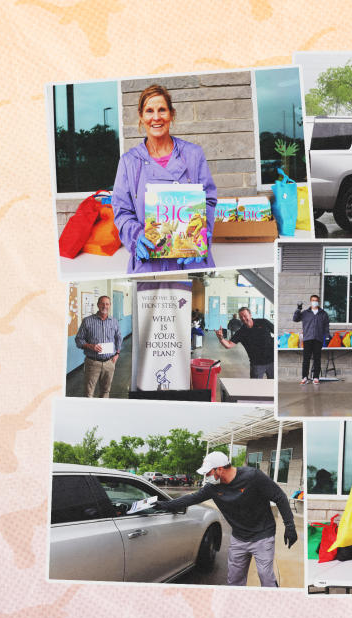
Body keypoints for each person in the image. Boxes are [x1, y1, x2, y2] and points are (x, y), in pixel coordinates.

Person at [112, 84, 217, 273]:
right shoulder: (129, 162)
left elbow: (208, 200)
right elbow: (122, 212)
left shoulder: (193, 155)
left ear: (171, 114)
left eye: (162, 110)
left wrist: (202, 235)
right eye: (149, 111)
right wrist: (136, 237)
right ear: (141, 117)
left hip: (191, 258)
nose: (156, 117)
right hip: (149, 261)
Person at [153, 451, 297, 587]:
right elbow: (191, 498)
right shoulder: (212, 487)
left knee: (265, 576)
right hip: (239, 538)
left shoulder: (253, 477)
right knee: (234, 580)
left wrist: (289, 526)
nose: (206, 476)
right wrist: (164, 505)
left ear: (220, 469)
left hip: (262, 536)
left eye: (208, 472)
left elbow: (279, 497)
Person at [74, 295, 121, 398]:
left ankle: (102, 412)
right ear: (98, 305)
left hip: (109, 362)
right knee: (88, 393)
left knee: (105, 391)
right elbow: (78, 340)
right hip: (92, 362)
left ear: (110, 305)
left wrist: (117, 353)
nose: (105, 306)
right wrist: (90, 346)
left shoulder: (114, 321)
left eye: (107, 304)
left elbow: (118, 338)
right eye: (102, 303)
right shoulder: (87, 321)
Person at [216, 307, 275, 378]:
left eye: (245, 316)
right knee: (255, 387)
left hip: (272, 361)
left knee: (273, 385)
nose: (243, 318)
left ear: (250, 315)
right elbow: (228, 345)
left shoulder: (263, 322)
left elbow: (276, 331)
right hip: (256, 364)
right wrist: (221, 338)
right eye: (241, 317)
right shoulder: (241, 332)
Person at [293, 295, 330, 385]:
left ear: (318, 302)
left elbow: (326, 326)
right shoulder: (305, 313)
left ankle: (316, 377)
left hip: (318, 338)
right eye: (313, 300)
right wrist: (298, 309)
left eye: (316, 300)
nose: (315, 302)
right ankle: (304, 377)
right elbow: (295, 319)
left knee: (317, 359)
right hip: (308, 338)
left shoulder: (323, 313)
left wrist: (327, 336)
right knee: (306, 359)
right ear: (310, 301)